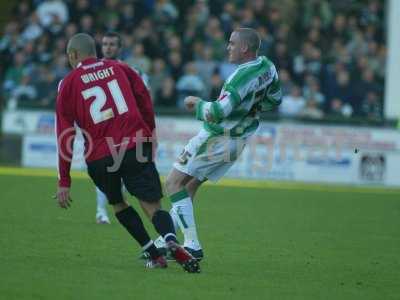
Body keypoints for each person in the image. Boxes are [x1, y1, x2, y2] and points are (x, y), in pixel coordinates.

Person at [54, 33, 200, 273]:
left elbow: (65, 133)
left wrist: (64, 180)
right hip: (134, 144)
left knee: (118, 204)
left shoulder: (68, 83)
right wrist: (151, 135)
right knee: (152, 203)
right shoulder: (121, 68)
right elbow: (144, 100)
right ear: (96, 50)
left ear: (72, 55)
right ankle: (170, 238)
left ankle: (153, 253)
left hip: (99, 155)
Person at [154, 28, 282, 260]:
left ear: (244, 48)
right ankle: (165, 239)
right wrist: (248, 110)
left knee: (173, 183)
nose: (228, 47)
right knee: (189, 186)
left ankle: (192, 245)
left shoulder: (238, 77)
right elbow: (275, 99)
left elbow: (218, 111)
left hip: (217, 138)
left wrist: (196, 102)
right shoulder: (268, 66)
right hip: (239, 141)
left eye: (232, 43)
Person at [94, 31, 123, 224]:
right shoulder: (93, 71)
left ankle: (117, 204)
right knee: (104, 170)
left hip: (124, 128)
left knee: (124, 173)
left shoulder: (129, 70)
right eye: (105, 44)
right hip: (102, 129)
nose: (108, 47)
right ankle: (100, 211)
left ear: (119, 48)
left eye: (112, 44)